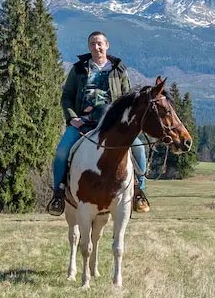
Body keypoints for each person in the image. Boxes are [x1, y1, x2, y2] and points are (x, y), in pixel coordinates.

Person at [49, 31, 150, 215]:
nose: (96, 47)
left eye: (99, 43)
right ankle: (58, 193)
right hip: (84, 122)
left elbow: (129, 100)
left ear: (107, 45)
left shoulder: (119, 70)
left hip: (114, 125)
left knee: (139, 149)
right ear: (89, 47)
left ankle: (138, 191)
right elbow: (67, 97)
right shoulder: (79, 69)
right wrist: (72, 118)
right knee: (62, 152)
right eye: (92, 44)